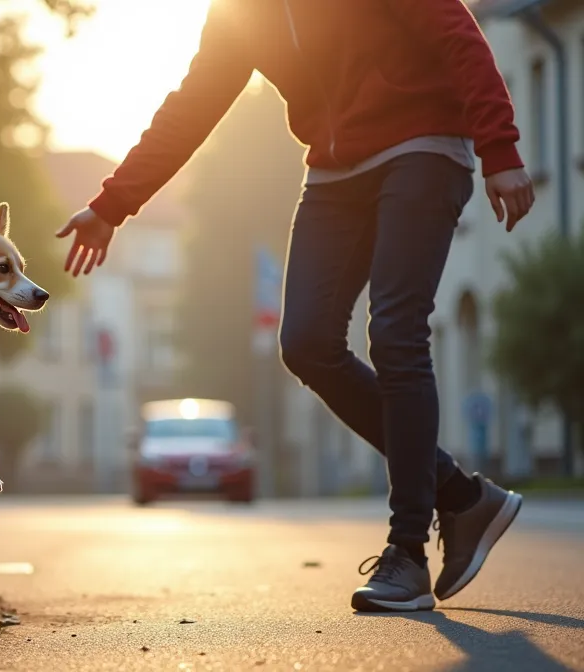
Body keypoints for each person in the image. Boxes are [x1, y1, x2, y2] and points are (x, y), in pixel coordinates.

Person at [56, 0, 531, 612]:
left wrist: (500, 148)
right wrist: (112, 204)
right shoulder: (239, 12)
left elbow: (459, 34)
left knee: (394, 331)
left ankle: (408, 551)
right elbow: (193, 103)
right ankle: (462, 497)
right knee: (306, 343)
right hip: (335, 173)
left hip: (422, 146)